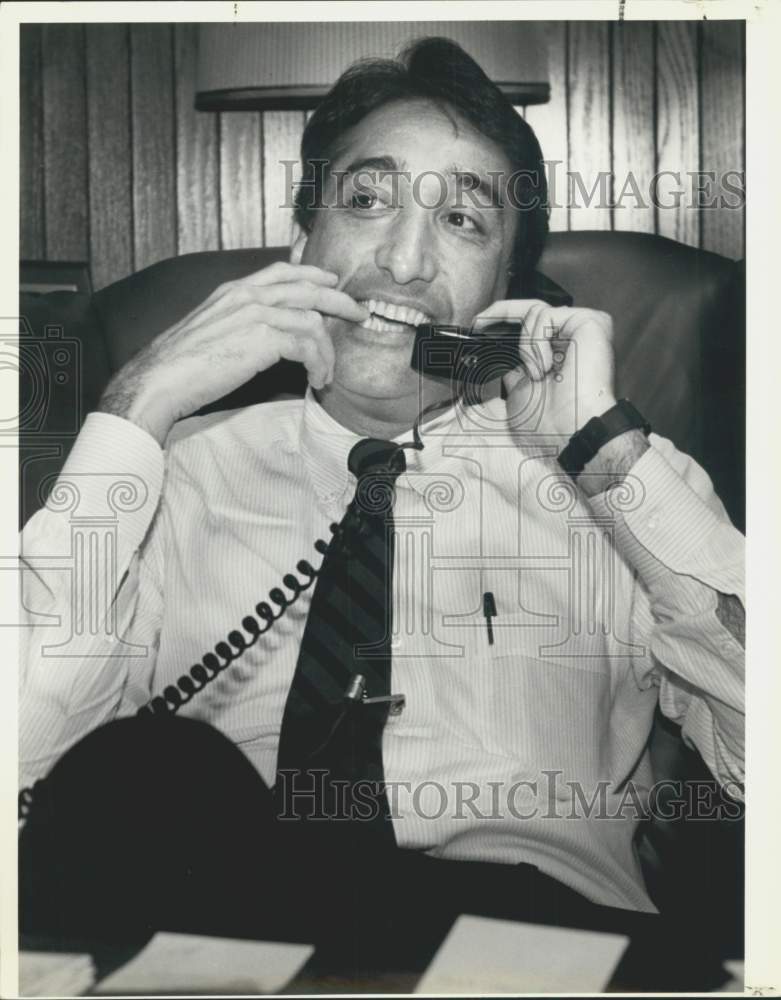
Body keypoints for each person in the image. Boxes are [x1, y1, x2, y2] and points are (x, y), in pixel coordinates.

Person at [19, 37, 744, 987]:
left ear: (509, 296)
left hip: (527, 938)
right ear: (301, 245)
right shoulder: (172, 469)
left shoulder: (620, 485)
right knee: (149, 778)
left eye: (462, 222)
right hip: (223, 925)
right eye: (366, 202)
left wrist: (608, 456)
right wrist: (136, 411)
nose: (401, 261)